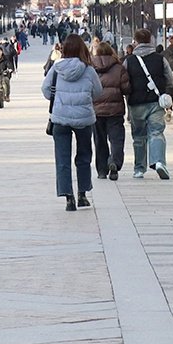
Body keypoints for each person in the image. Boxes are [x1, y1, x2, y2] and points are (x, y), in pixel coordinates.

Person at [44, 34, 103, 211]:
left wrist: (60, 99)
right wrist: (84, 99)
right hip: (84, 118)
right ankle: (82, 194)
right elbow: (98, 92)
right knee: (84, 156)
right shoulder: (89, 70)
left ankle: (68, 197)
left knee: (62, 158)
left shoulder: (56, 68)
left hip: (60, 118)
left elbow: (46, 90)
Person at [124, 28, 171, 180]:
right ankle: (158, 162)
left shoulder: (129, 60)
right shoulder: (160, 58)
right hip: (156, 102)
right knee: (156, 131)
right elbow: (169, 78)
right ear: (151, 40)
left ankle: (139, 168)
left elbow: (124, 83)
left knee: (139, 136)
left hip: (136, 103)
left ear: (135, 42)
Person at [91, 41, 130, 182]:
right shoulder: (119, 68)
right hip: (115, 110)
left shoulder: (90, 68)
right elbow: (126, 89)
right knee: (116, 139)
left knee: (99, 140)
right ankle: (114, 161)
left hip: (96, 111)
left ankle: (102, 170)